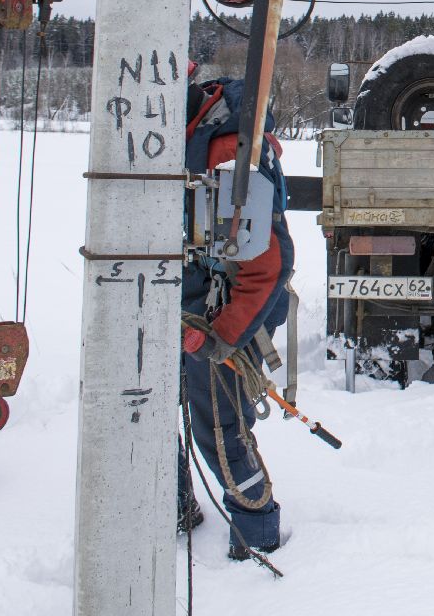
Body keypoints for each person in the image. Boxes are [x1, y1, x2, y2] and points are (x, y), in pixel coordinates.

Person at [177, 75, 297, 560]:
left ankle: (256, 528)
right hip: (176, 306)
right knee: (146, 416)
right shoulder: (174, 144)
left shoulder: (227, 154)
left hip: (217, 314)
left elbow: (267, 264)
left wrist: (220, 338)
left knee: (220, 426)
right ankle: (173, 507)